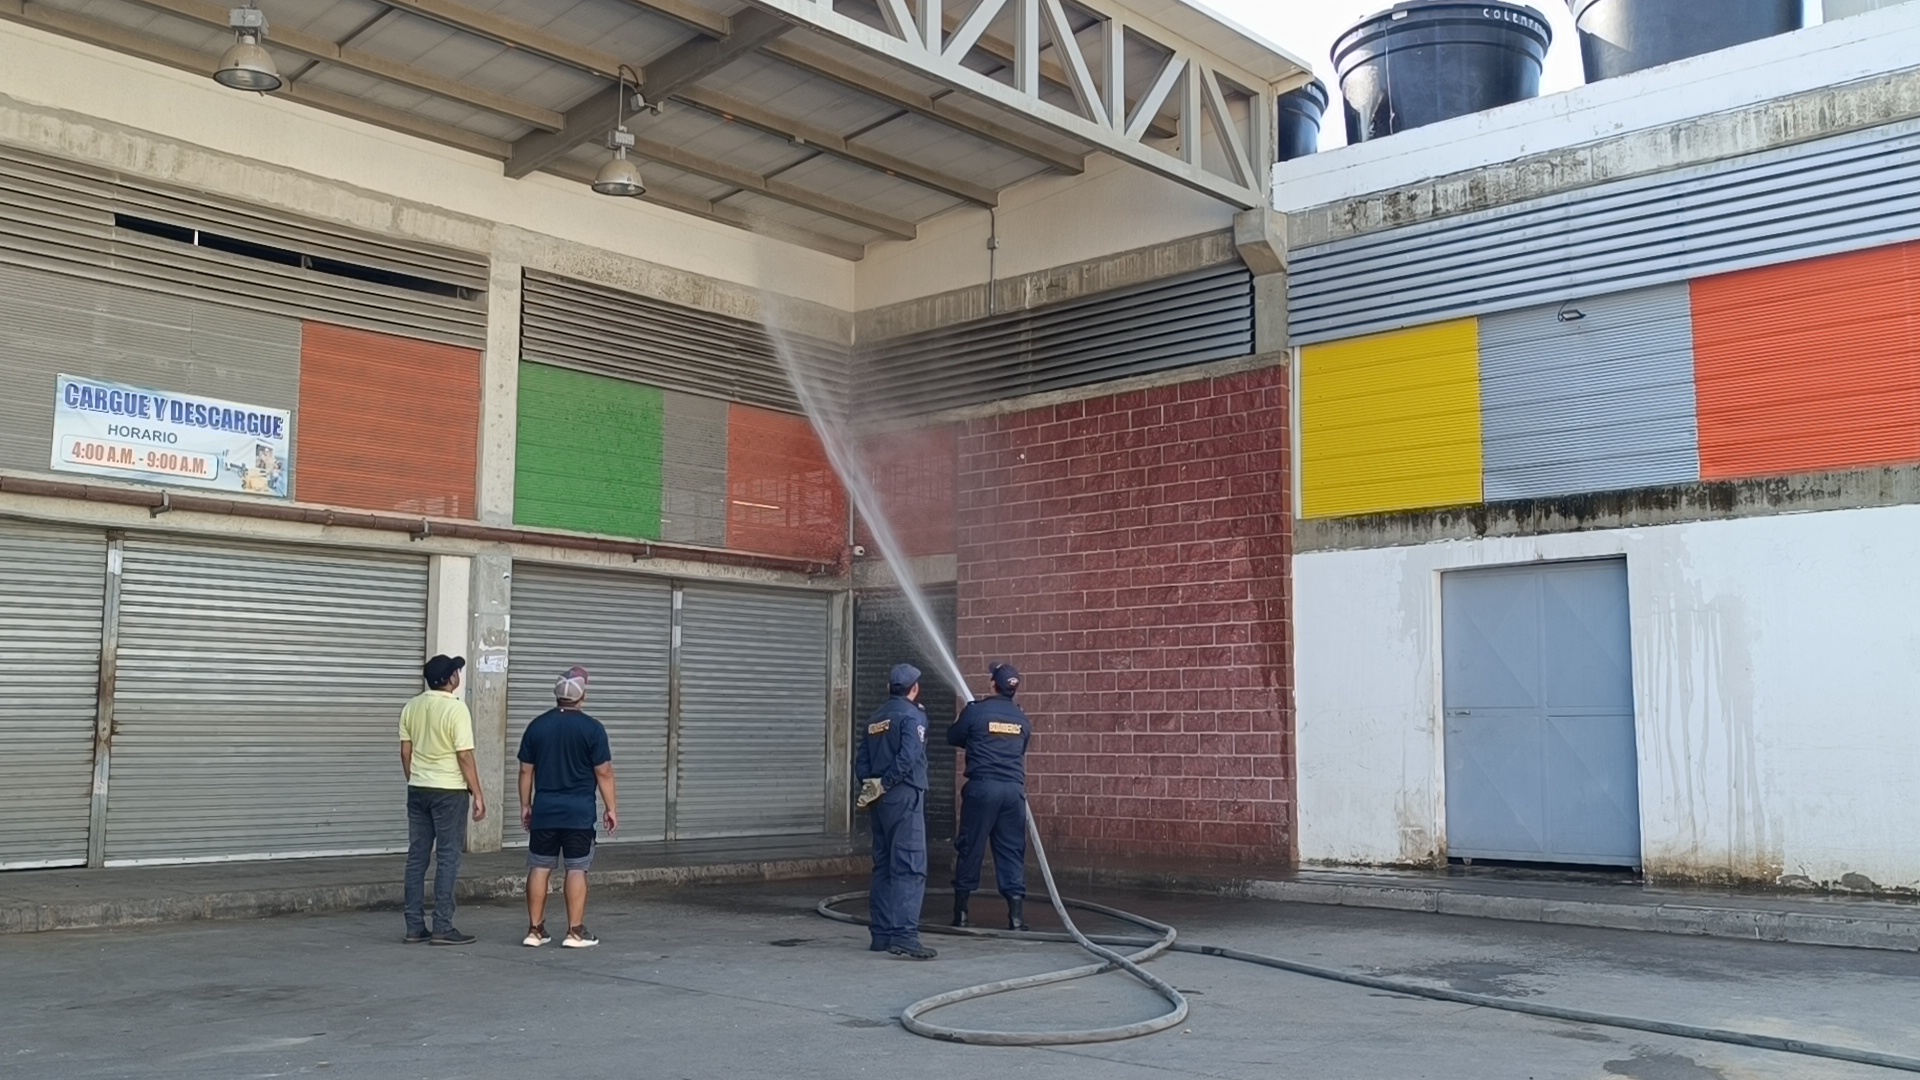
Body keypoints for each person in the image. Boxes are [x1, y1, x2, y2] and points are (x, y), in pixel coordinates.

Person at [516, 666, 617, 949]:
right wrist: (611, 807)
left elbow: (526, 771)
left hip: (545, 811)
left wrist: (526, 805)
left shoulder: (537, 726)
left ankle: (535, 931)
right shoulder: (593, 729)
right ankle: (575, 932)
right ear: (582, 695)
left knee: (539, 867)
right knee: (576, 869)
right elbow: (605, 773)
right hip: (579, 813)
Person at [398, 654, 486, 945]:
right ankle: (442, 927)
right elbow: (464, 755)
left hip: (418, 789)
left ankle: (414, 927)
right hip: (449, 792)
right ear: (450, 679)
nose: (458, 675)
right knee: (448, 857)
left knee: (417, 857)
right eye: (456, 672)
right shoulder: (456, 710)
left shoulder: (411, 706)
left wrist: (415, 778)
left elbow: (405, 752)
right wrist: (477, 793)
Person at [855, 663, 936, 960]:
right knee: (909, 865)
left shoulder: (875, 718)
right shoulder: (913, 715)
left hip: (878, 798)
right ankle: (904, 935)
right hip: (903, 796)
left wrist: (871, 785)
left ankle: (881, 934)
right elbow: (910, 755)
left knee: (884, 865)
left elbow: (861, 758)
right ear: (914, 689)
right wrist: (888, 783)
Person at [947, 662, 1034, 932]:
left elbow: (954, 736)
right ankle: (1016, 918)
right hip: (1012, 793)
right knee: (1011, 850)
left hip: (983, 789)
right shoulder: (1022, 719)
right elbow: (1021, 748)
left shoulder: (976, 711)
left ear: (992, 684)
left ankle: (961, 913)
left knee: (970, 847)